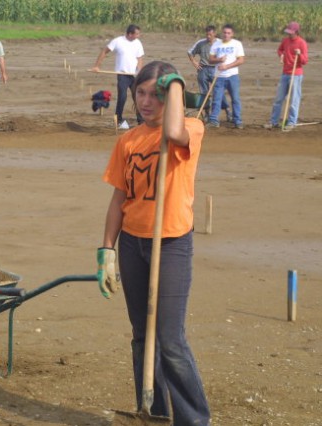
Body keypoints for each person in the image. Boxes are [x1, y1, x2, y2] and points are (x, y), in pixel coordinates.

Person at [97, 61, 211, 425]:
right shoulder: (127, 140)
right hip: (133, 243)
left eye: (156, 95)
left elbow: (174, 129)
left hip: (172, 243)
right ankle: (154, 410)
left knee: (170, 340)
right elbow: (118, 200)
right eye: (141, 93)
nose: (146, 102)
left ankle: (194, 420)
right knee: (141, 337)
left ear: (171, 97)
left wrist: (174, 82)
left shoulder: (190, 128)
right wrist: (106, 251)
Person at [90, 24, 144, 130]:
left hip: (134, 75)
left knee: (137, 97)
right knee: (122, 97)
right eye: (137, 34)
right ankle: (118, 120)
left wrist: (140, 71)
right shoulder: (118, 41)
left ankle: (141, 121)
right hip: (122, 75)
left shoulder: (138, 43)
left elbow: (140, 58)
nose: (139, 36)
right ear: (130, 34)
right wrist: (96, 66)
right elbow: (104, 51)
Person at [264, 21, 308, 131]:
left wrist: (299, 54)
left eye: (291, 32)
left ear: (296, 32)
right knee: (278, 99)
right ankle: (274, 121)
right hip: (285, 73)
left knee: (294, 100)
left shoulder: (302, 43)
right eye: (288, 32)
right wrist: (282, 55)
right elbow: (279, 50)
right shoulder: (285, 41)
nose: (289, 34)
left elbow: (305, 61)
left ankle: (292, 122)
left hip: (296, 74)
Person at [187, 25, 230, 122]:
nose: (208, 36)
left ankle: (227, 110)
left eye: (210, 34)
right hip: (203, 69)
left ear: (214, 34)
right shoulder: (201, 43)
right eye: (207, 34)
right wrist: (194, 62)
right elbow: (190, 52)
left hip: (216, 69)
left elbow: (227, 55)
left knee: (219, 92)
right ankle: (207, 113)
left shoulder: (221, 43)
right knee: (204, 92)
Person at [206, 24, 245, 129]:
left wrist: (227, 66)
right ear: (222, 33)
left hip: (232, 75)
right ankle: (214, 120)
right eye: (224, 32)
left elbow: (241, 60)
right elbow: (210, 60)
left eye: (228, 33)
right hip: (219, 76)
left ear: (232, 34)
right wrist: (219, 60)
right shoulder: (216, 44)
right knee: (216, 99)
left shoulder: (237, 44)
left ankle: (237, 120)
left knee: (235, 99)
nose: (226, 35)